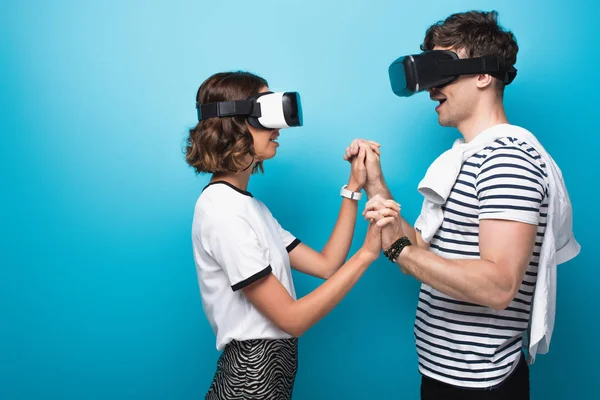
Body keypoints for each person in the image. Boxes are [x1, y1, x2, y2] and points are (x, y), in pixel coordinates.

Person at [345, 10, 579, 400]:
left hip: (481, 384)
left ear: (484, 74)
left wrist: (398, 251)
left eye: (442, 70)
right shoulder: (466, 158)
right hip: (446, 375)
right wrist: (375, 185)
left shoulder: (507, 160)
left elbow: (497, 286)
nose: (432, 89)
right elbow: (426, 254)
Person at [186, 71, 387, 400]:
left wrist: (354, 186)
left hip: (270, 374)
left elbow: (327, 264)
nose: (277, 129)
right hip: (250, 378)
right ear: (233, 124)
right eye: (264, 116)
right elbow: (292, 319)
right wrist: (367, 253)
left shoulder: (250, 208)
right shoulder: (221, 211)